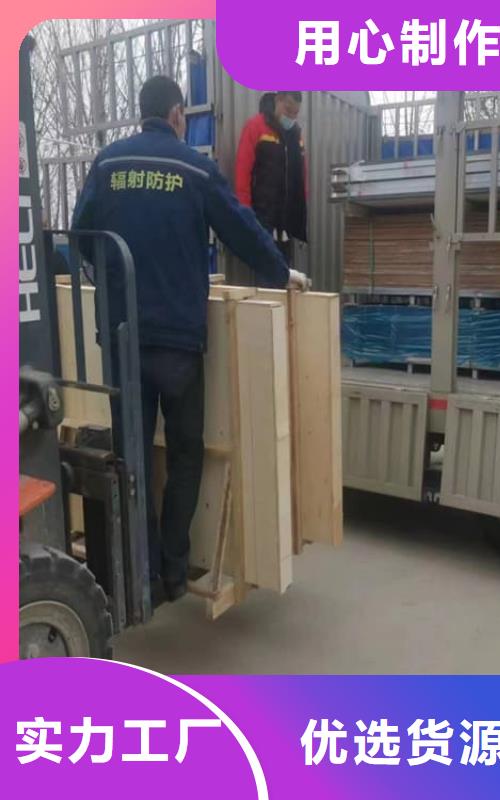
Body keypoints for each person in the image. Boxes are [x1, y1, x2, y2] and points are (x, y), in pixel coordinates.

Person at [72, 75, 308, 606]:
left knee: (131, 457)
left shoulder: (107, 164)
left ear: (142, 112)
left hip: (123, 340)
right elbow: (240, 227)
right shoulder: (193, 168)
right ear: (177, 114)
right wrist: (280, 271)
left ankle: (141, 573)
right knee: (184, 455)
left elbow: (80, 233)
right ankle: (174, 572)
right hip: (178, 342)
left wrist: (110, 280)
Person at [235, 91, 307, 272]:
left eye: (295, 113)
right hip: (263, 219)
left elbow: (301, 174)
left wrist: (301, 207)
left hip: (287, 221)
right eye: (288, 110)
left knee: (286, 273)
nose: (291, 117)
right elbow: (243, 172)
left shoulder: (296, 134)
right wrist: (246, 215)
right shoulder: (256, 127)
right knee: (267, 275)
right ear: (278, 100)